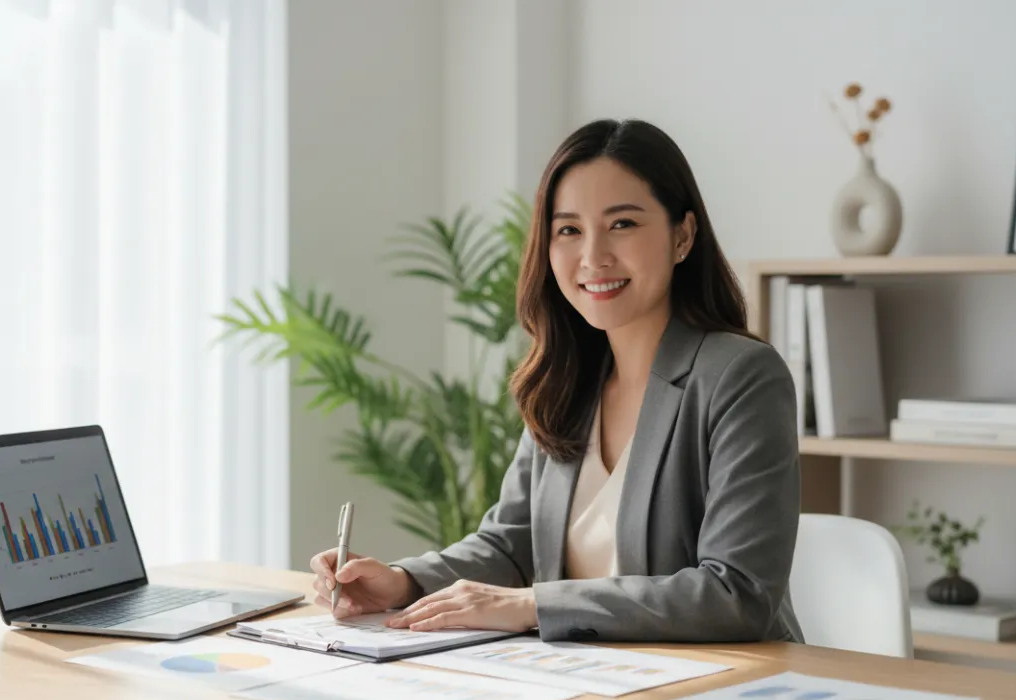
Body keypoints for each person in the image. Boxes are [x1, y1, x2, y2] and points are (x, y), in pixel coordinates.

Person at [309, 118, 803, 644]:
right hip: (587, 680)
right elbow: (512, 545)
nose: (593, 256)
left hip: (724, 688)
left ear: (682, 236)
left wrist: (532, 605)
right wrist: (404, 582)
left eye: (623, 224)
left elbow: (738, 594)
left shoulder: (741, 377)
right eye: (569, 230)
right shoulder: (567, 378)